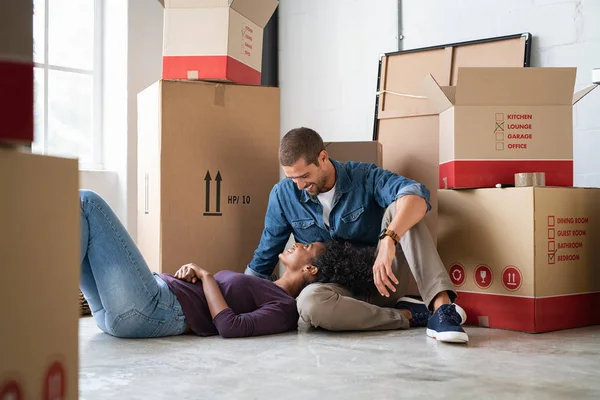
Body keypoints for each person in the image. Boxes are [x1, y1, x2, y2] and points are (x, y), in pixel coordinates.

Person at [244, 127, 468, 343]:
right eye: (293, 178)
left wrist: (389, 239)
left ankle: (442, 309)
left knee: (404, 206)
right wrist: (241, 295)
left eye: (304, 176)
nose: (300, 185)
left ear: (323, 157)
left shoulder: (363, 176)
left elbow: (416, 195)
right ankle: (408, 315)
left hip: (382, 279)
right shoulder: (283, 194)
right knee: (309, 303)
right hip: (335, 292)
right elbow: (265, 254)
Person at [79, 189, 325, 339]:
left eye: (308, 246)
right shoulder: (266, 283)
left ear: (310, 269)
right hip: (124, 310)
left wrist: (206, 277)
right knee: (81, 210)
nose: (300, 243)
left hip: (152, 310)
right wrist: (197, 279)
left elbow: (231, 327)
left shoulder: (285, 308)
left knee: (87, 202)